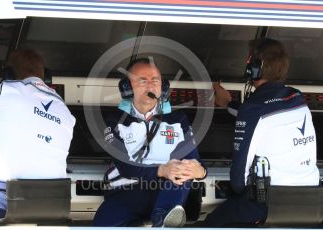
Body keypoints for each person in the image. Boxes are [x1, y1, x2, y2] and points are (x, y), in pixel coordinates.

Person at [203, 38, 320, 227]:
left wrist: (236, 195)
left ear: (254, 69)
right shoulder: (297, 97)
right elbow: (265, 115)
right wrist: (228, 104)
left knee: (208, 224)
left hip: (269, 205)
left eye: (249, 62)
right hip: (311, 201)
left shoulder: (253, 109)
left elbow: (238, 178)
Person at [92, 58, 207, 227]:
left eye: (156, 80)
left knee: (181, 170)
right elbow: (126, 166)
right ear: (127, 87)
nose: (151, 85)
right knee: (103, 223)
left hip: (165, 193)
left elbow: (193, 160)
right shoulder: (115, 121)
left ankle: (165, 220)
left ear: (164, 87)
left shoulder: (178, 121)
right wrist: (162, 169)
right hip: (125, 194)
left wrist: (200, 171)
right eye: (142, 80)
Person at [0, 48, 76, 221]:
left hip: (6, 199)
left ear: (7, 74)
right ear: (46, 77)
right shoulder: (64, 108)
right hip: (54, 203)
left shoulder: (6, 90)